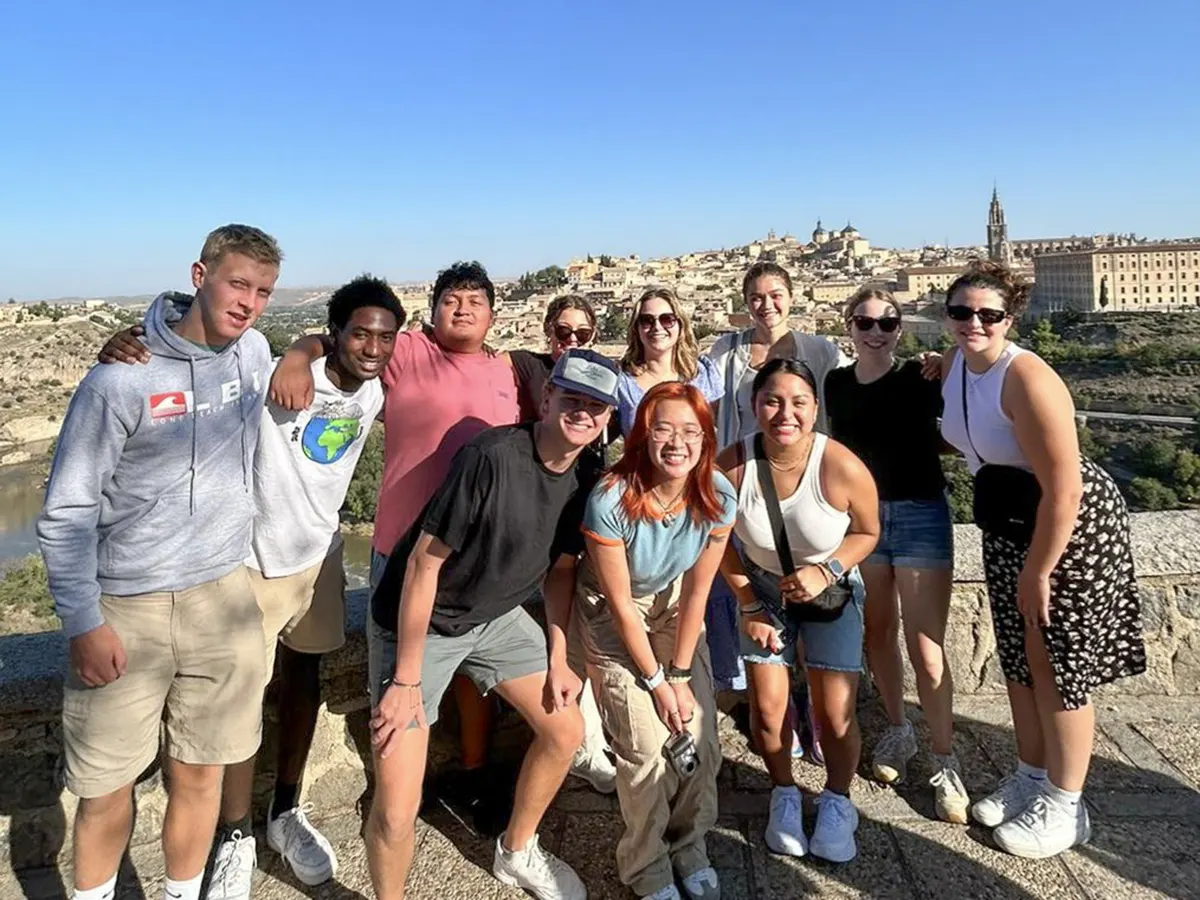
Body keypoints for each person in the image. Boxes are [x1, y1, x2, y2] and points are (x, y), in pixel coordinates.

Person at [37, 225, 280, 900]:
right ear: (200, 277)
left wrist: (311, 343)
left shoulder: (256, 352)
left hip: (223, 601)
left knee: (201, 774)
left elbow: (326, 354)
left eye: (263, 292)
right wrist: (83, 622)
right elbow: (67, 512)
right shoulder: (119, 381)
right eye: (237, 284)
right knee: (105, 789)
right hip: (127, 607)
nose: (249, 304)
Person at [269, 261, 525, 827]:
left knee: (470, 672)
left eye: (475, 301)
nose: (462, 308)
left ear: (492, 314)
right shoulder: (407, 351)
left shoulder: (509, 370)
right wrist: (293, 355)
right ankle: (394, 804)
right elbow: (343, 337)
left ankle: (473, 771)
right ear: (432, 312)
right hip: (403, 551)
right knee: (396, 683)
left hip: (476, 557)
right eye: (451, 299)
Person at [366, 349, 620, 900]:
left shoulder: (586, 476)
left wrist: (558, 658)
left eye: (596, 406)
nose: (583, 412)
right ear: (547, 397)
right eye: (572, 398)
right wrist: (407, 679)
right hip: (421, 627)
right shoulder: (493, 457)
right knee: (396, 806)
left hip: (495, 619)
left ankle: (517, 849)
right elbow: (423, 564)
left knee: (566, 729)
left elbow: (559, 572)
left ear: (606, 420)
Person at [939, 261, 1146, 858]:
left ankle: (1065, 802)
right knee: (1020, 660)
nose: (972, 323)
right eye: (960, 312)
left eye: (988, 315)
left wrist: (1039, 570)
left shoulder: (1028, 378)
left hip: (1068, 529)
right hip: (1008, 522)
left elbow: (1067, 490)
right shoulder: (954, 364)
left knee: (1059, 663)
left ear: (1011, 318)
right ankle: (1031, 776)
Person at [576, 382, 735, 900]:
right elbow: (622, 605)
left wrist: (682, 676)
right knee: (645, 746)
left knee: (701, 739)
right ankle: (645, 864)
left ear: (705, 438)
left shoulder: (716, 495)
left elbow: (698, 590)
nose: (676, 442)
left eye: (690, 431)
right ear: (641, 436)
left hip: (673, 611)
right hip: (612, 616)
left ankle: (689, 844)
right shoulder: (610, 500)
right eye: (662, 429)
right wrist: (658, 684)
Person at [717, 359, 880, 863]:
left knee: (835, 714)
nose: (784, 413)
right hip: (764, 593)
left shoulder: (841, 466)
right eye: (772, 401)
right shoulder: (731, 465)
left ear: (814, 409)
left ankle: (837, 799)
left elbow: (868, 532)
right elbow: (717, 540)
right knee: (767, 711)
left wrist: (826, 570)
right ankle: (784, 791)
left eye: (798, 402)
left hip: (830, 591)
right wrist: (748, 604)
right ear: (753, 406)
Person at [824, 287, 969, 823]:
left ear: (899, 330)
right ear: (850, 326)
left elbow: (973, 365)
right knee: (877, 631)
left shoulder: (918, 377)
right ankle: (898, 730)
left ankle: (945, 760)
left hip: (920, 514)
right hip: (863, 521)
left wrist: (942, 356)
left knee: (926, 645)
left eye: (887, 323)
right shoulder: (835, 384)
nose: (875, 332)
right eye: (865, 322)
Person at [703, 262, 845, 724]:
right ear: (745, 304)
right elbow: (695, 390)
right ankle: (763, 702)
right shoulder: (727, 351)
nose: (767, 304)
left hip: (801, 483)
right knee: (751, 595)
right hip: (742, 483)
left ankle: (809, 707)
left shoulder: (819, 350)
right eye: (757, 297)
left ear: (791, 295)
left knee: (805, 601)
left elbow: (854, 383)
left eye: (776, 294)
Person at [507, 294, 617, 792]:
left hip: (586, 503)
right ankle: (586, 745)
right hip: (545, 505)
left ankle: (592, 738)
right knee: (566, 630)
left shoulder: (605, 374)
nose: (571, 341)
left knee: (584, 630)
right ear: (547, 331)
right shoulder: (528, 367)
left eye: (581, 334)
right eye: (562, 332)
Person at [614, 288, 722, 437]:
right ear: (636, 329)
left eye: (666, 319)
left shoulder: (703, 374)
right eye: (647, 320)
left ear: (680, 324)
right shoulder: (621, 383)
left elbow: (722, 429)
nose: (657, 327)